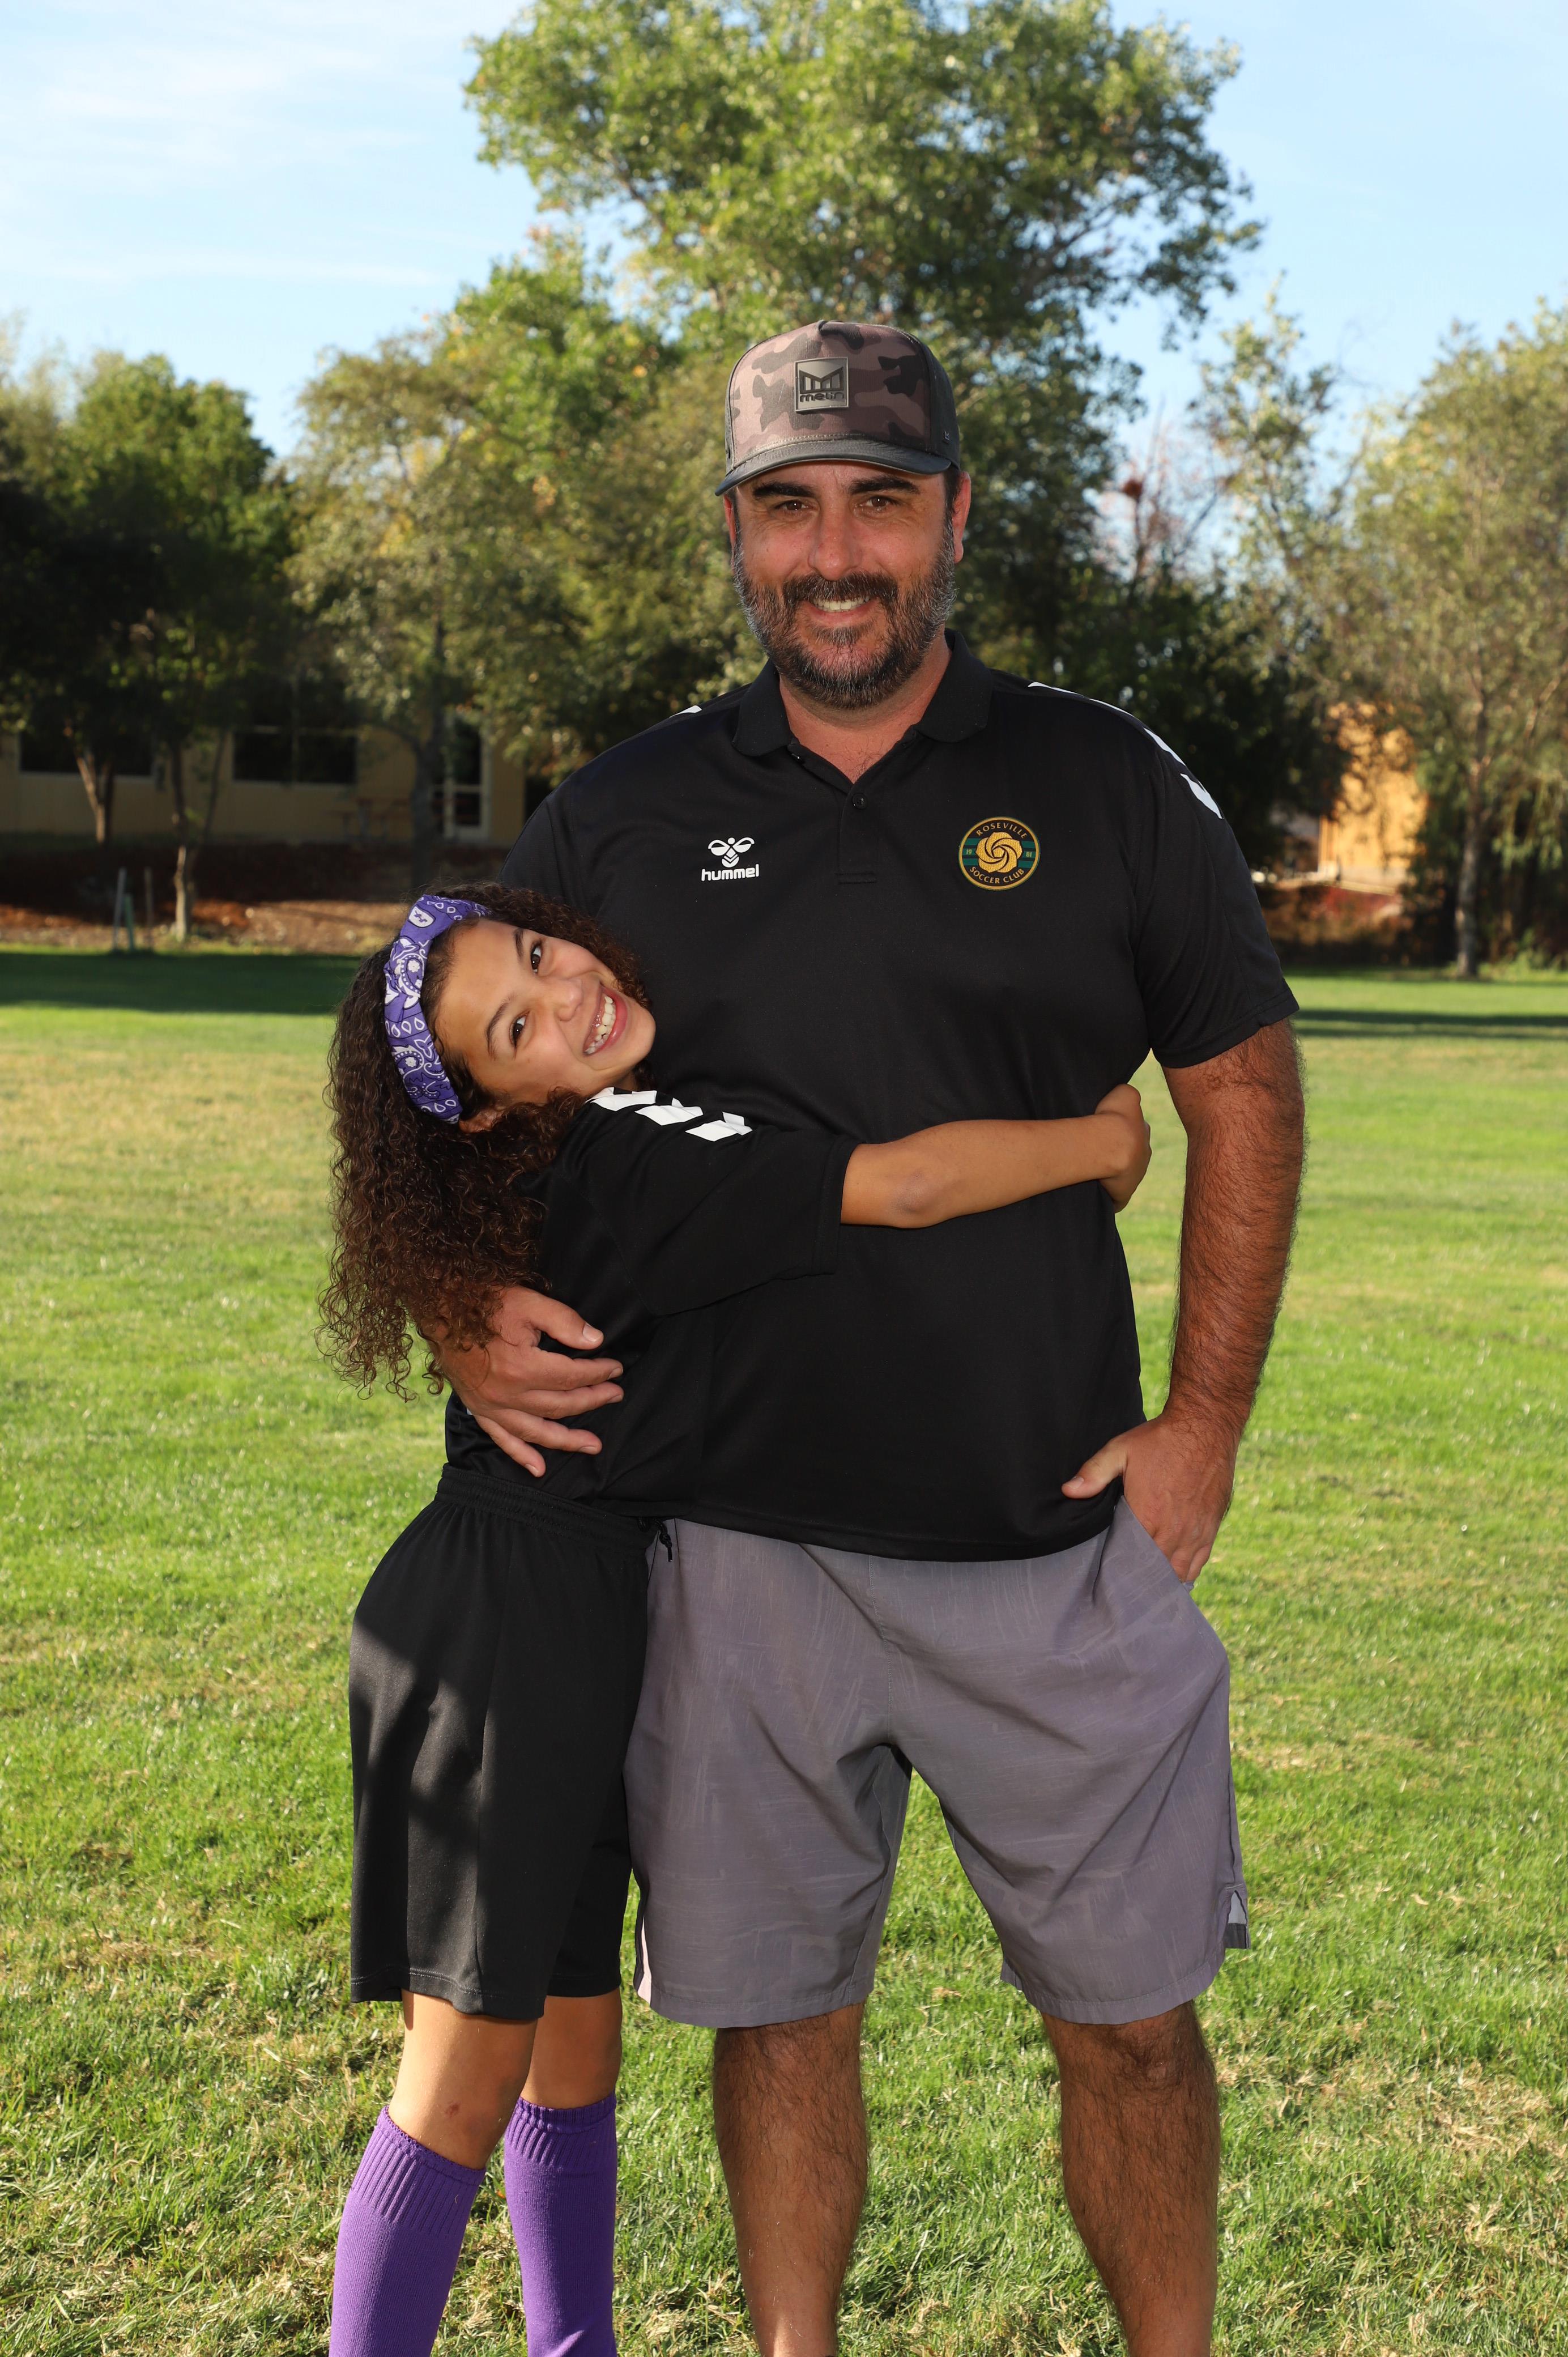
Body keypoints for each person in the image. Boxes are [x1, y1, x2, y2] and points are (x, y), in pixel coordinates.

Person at [441, 320, 1307, 2357]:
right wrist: (459, 1309)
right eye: (788, 507)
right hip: (731, 1551)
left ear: (956, 518)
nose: (834, 554)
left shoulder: (1099, 781)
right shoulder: (624, 813)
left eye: (879, 503)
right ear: (738, 531)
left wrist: (1205, 1421)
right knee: (779, 2019)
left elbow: (1247, 1094)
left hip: (1046, 1536)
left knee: (1135, 2032)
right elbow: (456, 1083)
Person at [318, 883, 1153, 2357]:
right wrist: (1102, 1143)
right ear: (491, 1111)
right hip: (502, 1641)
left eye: (536, 953)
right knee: (460, 2084)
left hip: (584, 1620)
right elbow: (904, 1187)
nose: (564, 994)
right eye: (516, 1027)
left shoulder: (596, 1137)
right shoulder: (633, 1161)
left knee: (575, 2057)